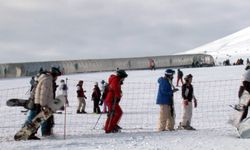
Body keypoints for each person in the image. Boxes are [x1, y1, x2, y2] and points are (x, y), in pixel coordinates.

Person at [24, 67, 62, 139]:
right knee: (37, 120)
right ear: (54, 74)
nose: (57, 78)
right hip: (40, 103)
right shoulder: (48, 80)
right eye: (57, 76)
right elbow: (43, 94)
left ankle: (30, 133)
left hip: (37, 101)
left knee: (35, 119)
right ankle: (29, 134)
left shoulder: (44, 77)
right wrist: (43, 105)